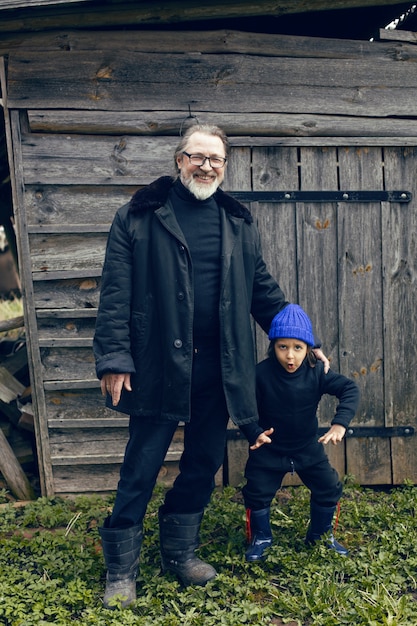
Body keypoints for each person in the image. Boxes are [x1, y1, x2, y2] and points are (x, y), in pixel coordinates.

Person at [93, 124, 328, 609]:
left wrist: (304, 337)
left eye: (215, 159)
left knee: (202, 462)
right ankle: (121, 568)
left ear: (225, 165)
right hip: (157, 365)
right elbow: (115, 292)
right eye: (196, 156)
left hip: (218, 371)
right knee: (141, 466)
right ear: (179, 160)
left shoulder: (237, 222)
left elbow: (263, 290)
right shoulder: (137, 216)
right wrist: (115, 357)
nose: (206, 166)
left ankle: (179, 551)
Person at [241, 304, 360, 562]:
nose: (290, 356)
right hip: (269, 448)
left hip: (307, 447)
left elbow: (350, 389)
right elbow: (241, 404)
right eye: (283, 347)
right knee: (256, 491)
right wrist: (254, 432)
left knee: (329, 486)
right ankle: (260, 538)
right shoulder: (259, 374)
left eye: (298, 347)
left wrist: (340, 424)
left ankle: (319, 536)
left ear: (309, 349)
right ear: (273, 345)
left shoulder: (317, 373)